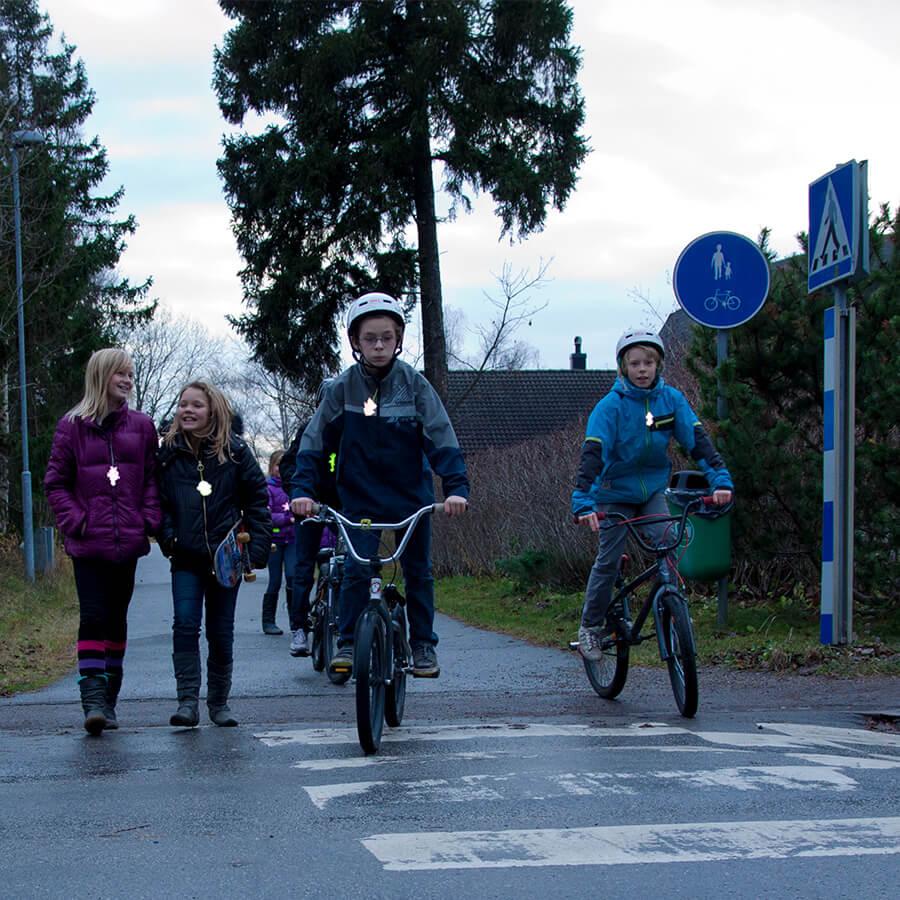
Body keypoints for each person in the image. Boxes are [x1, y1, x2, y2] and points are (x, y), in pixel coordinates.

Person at [291, 292, 469, 678]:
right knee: (357, 569)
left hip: (410, 499)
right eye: (370, 338)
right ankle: (349, 640)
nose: (378, 345)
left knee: (418, 571)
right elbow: (314, 442)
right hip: (360, 498)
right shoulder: (342, 389)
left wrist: (456, 489)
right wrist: (302, 491)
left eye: (386, 337)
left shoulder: (416, 385)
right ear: (356, 341)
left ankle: (423, 644)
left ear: (398, 339)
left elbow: (442, 438)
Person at [571, 328, 734, 660]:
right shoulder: (610, 408)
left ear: (658, 365)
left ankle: (672, 606)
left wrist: (720, 482)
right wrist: (584, 503)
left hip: (651, 492)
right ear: (623, 368)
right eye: (634, 364)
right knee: (608, 559)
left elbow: (698, 442)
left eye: (648, 362)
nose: (642, 369)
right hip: (615, 494)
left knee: (671, 539)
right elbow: (593, 456)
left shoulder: (671, 400)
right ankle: (590, 627)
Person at [44, 348, 161, 735]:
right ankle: (92, 700)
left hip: (127, 541)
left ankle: (110, 699)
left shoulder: (142, 427)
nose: (127, 381)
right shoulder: (72, 427)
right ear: (102, 376)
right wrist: (76, 521)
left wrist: (147, 519)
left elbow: (150, 480)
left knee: (116, 620)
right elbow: (56, 482)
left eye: (130, 374)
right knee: (93, 617)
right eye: (120, 375)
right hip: (88, 543)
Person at [157, 381, 271, 728]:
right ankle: (187, 702)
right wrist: (168, 537)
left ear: (213, 412)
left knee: (221, 631)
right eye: (183, 404)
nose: (187, 410)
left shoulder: (236, 453)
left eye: (196, 405)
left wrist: (257, 549)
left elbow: (257, 500)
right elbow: (157, 503)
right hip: (186, 559)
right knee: (186, 625)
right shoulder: (168, 455)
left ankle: (219, 703)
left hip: (226, 559)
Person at [279, 378, 340, 658]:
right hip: (310, 505)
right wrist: (298, 495)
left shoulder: (351, 431)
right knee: (303, 565)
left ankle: (349, 627)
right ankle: (299, 628)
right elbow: (288, 463)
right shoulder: (308, 431)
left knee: (354, 562)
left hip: (344, 506)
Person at [261, 449, 294, 637]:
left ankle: (295, 619)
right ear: (272, 467)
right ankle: (268, 621)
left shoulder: (294, 486)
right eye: (277, 465)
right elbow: (266, 515)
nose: (280, 469)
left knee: (293, 577)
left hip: (293, 540)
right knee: (274, 581)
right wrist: (286, 519)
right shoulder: (268, 488)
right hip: (275, 541)